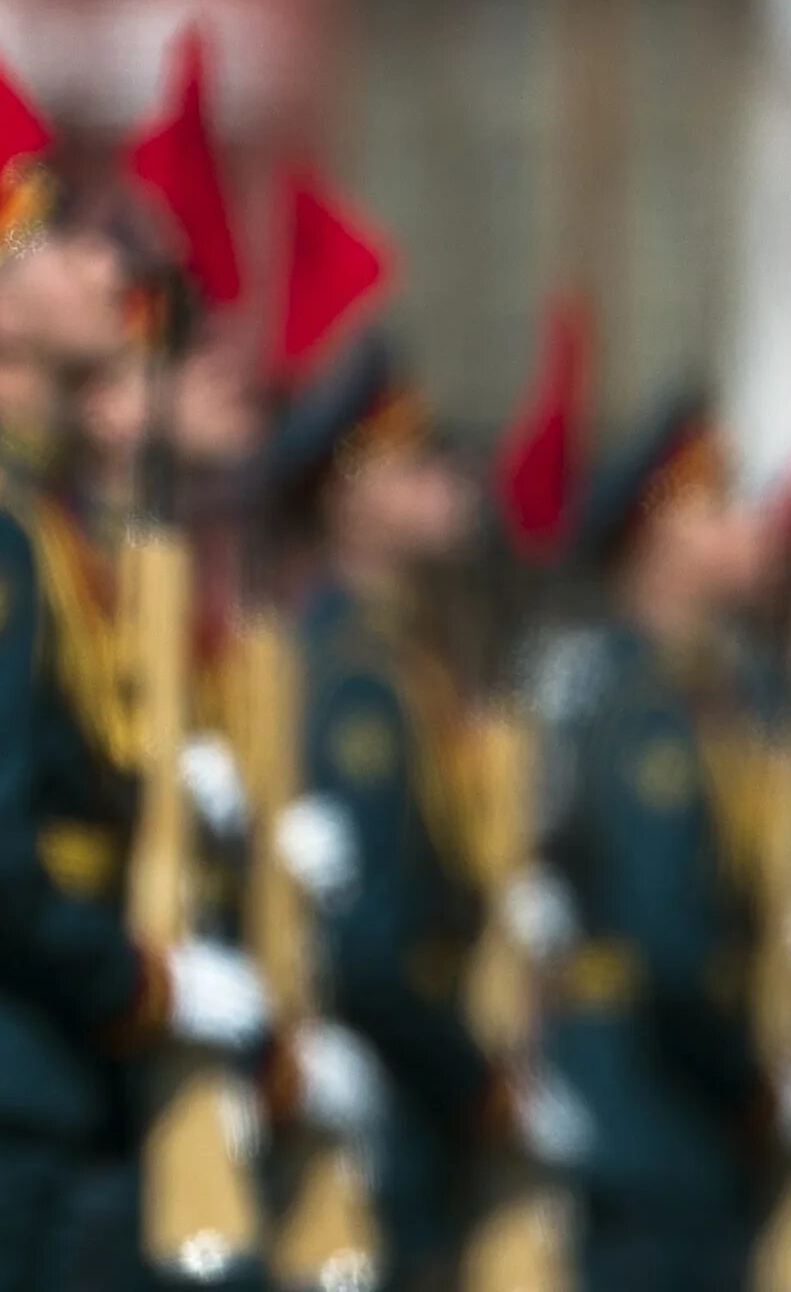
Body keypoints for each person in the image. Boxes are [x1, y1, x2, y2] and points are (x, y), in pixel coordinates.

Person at [0, 172, 270, 1292]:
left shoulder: (22, 513)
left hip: (34, 1062)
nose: (108, 273)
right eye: (61, 251)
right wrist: (138, 981)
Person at [260, 335, 590, 1292]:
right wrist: (474, 1081)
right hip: (381, 1098)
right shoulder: (356, 673)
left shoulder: (408, 663)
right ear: (345, 495)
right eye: (419, 466)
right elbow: (367, 942)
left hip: (415, 1101)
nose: (453, 485)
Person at [541, 391, 791, 1292]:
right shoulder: (650, 713)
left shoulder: (716, 696)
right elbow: (668, 942)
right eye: (719, 507)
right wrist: (755, 1080)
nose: (750, 529)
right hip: (654, 1114)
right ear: (659, 537)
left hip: (677, 1124)